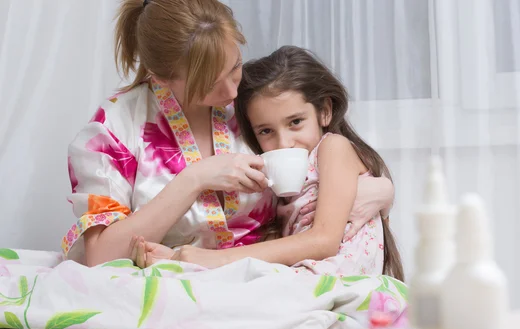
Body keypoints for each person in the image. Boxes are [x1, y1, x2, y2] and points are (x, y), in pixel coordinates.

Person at [64, 0, 395, 267]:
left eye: (235, 66)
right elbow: (101, 257)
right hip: (176, 282)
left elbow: (324, 158)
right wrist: (194, 179)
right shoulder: (114, 131)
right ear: (161, 77)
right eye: (209, 83)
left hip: (270, 275)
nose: (232, 92)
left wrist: (380, 188)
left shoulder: (253, 105)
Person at [134, 46, 404, 280]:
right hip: (307, 273)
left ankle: (188, 261)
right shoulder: (279, 178)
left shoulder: (333, 147)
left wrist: (208, 259)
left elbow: (324, 241)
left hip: (335, 277)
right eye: (266, 131)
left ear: (324, 110)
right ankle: (179, 260)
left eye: (295, 122)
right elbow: (286, 247)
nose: (284, 142)